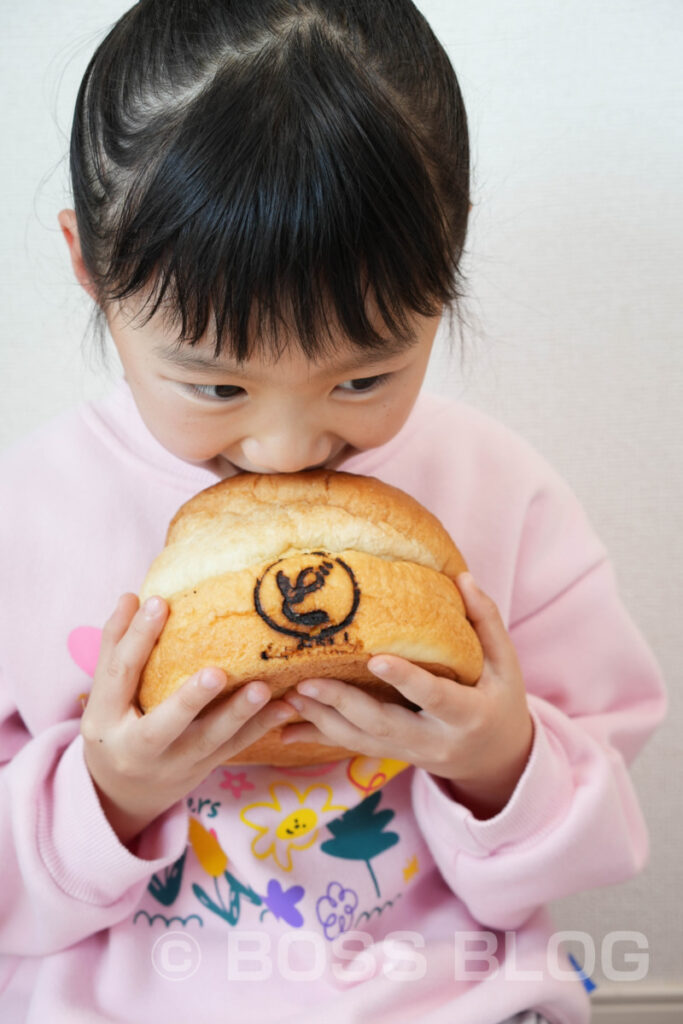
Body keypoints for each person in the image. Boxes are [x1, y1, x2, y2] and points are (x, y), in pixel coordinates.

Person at [0, 1, 666, 1022]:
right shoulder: (29, 515)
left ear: (445, 266)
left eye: (364, 379)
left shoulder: (500, 495)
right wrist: (105, 795)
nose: (286, 449)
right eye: (216, 388)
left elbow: (593, 821)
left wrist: (499, 762)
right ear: (91, 270)